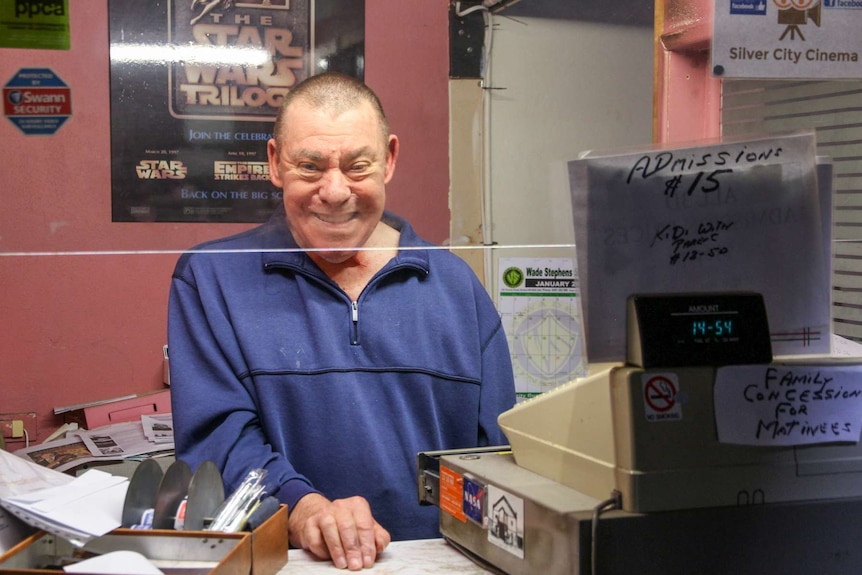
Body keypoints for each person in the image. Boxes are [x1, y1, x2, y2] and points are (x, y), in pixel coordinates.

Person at [168, 71, 516, 571]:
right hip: (287, 564)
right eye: (309, 166)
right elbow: (217, 439)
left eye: (357, 166)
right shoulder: (210, 279)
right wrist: (303, 508)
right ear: (274, 164)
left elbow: (495, 458)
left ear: (389, 160)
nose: (334, 192)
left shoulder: (457, 286)